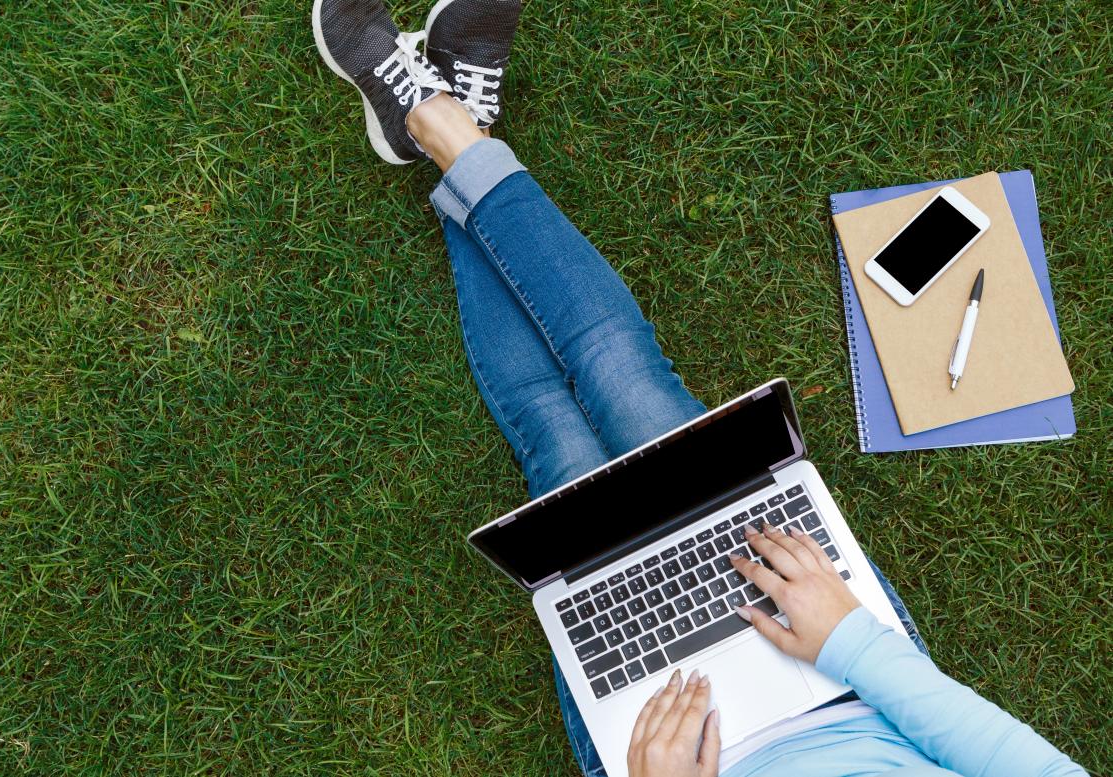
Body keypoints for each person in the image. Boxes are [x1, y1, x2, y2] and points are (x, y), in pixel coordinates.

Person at [310, 1, 1090, 775]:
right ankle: (443, 124)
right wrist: (851, 641)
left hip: (666, 751)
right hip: (853, 686)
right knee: (626, 376)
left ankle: (434, 118)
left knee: (558, 446)